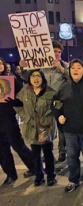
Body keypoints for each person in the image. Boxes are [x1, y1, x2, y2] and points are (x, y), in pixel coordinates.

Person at [53, 59, 83, 193]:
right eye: (73, 68)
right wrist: (59, 115)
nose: (76, 70)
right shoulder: (63, 87)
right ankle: (73, 180)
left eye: (79, 68)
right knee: (72, 157)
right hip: (69, 130)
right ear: (69, 70)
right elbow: (55, 103)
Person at [19, 40, 69, 163]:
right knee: (43, 127)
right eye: (54, 51)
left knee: (62, 128)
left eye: (59, 52)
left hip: (59, 102)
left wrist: (61, 69)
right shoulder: (40, 67)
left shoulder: (65, 65)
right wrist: (23, 67)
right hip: (43, 103)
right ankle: (43, 152)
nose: (57, 54)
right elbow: (27, 78)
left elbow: (73, 78)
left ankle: (62, 151)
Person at [16, 69, 57, 186]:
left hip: (45, 128)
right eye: (33, 76)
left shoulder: (50, 92)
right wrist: (25, 117)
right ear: (29, 79)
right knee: (36, 155)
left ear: (42, 78)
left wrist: (49, 116)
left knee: (48, 154)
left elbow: (58, 105)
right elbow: (17, 105)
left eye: (38, 76)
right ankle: (39, 176)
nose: (35, 78)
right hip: (31, 128)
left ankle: (50, 176)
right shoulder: (25, 91)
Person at [0, 57, 35, 186]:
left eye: (0, 63)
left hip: (8, 119)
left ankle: (34, 167)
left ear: (4, 65)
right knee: (2, 150)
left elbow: (23, 99)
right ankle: (10, 174)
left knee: (18, 146)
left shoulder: (12, 80)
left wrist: (13, 101)